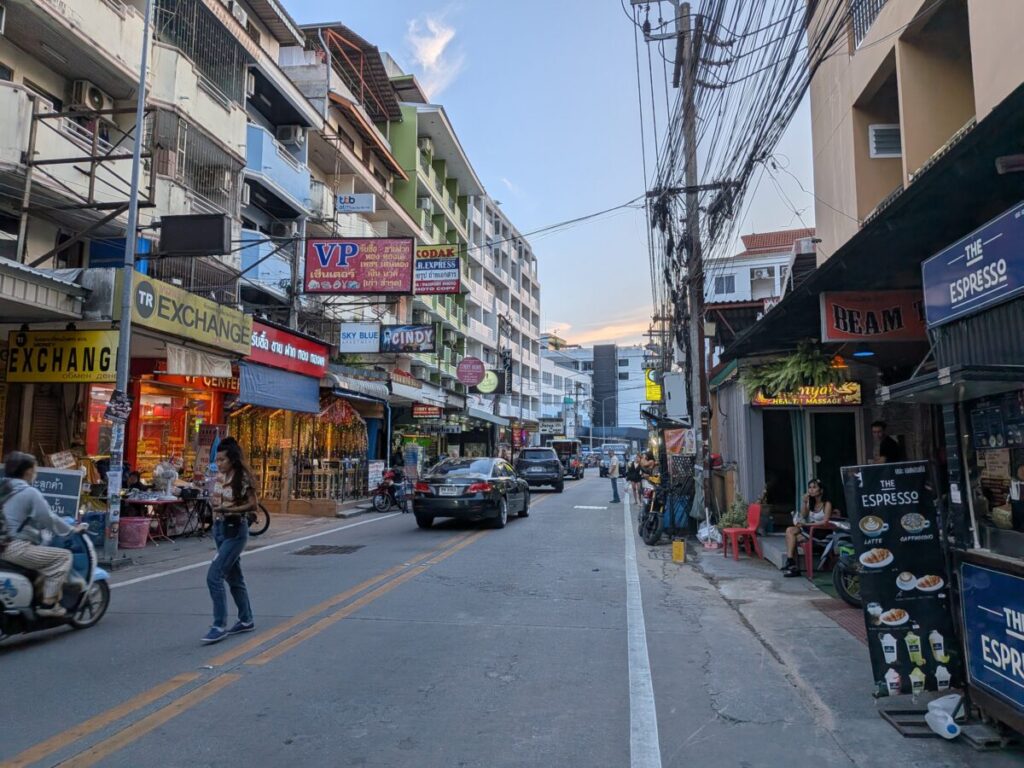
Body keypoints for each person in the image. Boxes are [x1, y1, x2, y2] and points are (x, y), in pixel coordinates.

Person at [0, 452, 88, 617]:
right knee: (63, 557)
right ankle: (49, 604)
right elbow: (48, 518)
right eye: (35, 469)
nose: (36, 472)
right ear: (27, 472)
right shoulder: (29, 493)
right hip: (13, 547)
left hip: (5, 547)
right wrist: (71, 530)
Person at [203, 442, 256, 644]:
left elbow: (253, 504)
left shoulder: (242, 477)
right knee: (234, 578)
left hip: (235, 530)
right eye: (217, 460)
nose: (219, 464)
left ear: (232, 459)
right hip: (219, 529)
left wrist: (230, 510)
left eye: (222, 460)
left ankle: (219, 625)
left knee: (214, 576)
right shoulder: (219, 476)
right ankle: (246, 619)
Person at [782, 478, 833, 577]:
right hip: (810, 531)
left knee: (791, 536)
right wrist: (805, 503)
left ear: (821, 490)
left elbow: (825, 522)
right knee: (790, 533)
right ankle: (791, 563)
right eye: (809, 488)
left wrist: (806, 525)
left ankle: (792, 566)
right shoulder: (811, 503)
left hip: (821, 533)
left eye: (814, 487)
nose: (811, 490)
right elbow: (803, 515)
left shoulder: (827, 504)